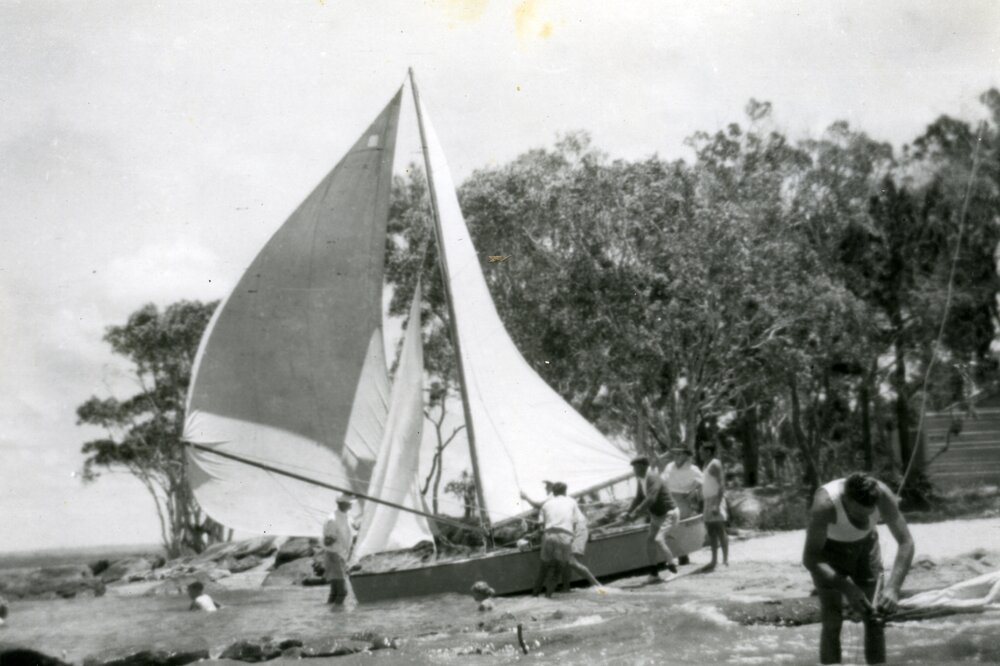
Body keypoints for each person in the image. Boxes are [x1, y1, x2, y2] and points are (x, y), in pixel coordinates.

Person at [803, 472, 914, 665]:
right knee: (832, 620)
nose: (864, 519)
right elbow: (810, 558)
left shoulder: (882, 495)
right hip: (828, 552)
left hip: (866, 547)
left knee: (875, 617)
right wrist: (847, 587)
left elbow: (906, 542)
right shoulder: (825, 505)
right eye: (857, 513)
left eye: (869, 513)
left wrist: (893, 588)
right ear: (845, 499)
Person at [522, 482, 602, 590]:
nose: (546, 490)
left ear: (553, 490)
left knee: (571, 561)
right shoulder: (562, 500)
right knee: (566, 562)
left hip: (577, 529)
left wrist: (526, 497)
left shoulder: (554, 500)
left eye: (547, 488)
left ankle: (598, 586)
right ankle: (566, 589)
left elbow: (538, 506)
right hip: (569, 531)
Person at [622, 455, 679, 582]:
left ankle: (673, 569)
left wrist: (635, 514)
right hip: (656, 515)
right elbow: (639, 498)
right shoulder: (640, 479)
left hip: (669, 513)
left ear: (643, 467)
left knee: (659, 540)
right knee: (650, 541)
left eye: (635, 467)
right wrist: (628, 512)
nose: (634, 470)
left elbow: (651, 499)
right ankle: (654, 574)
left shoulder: (653, 477)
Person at [531, 482, 581, 598]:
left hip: (548, 536)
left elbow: (540, 527)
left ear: (553, 492)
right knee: (558, 570)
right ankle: (551, 596)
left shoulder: (546, 505)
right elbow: (576, 522)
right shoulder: (572, 502)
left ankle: (535, 596)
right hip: (564, 536)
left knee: (543, 569)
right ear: (565, 491)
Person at [662, 447, 702, 565]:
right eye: (675, 453)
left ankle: (683, 556)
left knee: (680, 528)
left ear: (686, 456)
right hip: (668, 498)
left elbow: (703, 481)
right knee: (667, 528)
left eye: (680, 453)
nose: (677, 456)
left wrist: (693, 492)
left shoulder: (693, 469)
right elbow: (662, 480)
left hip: (683, 499)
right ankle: (669, 557)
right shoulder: (669, 466)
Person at [322, 493, 357, 607]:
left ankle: (330, 616)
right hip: (334, 555)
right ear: (341, 504)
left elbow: (353, 529)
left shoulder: (347, 516)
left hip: (341, 555)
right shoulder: (332, 519)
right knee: (342, 592)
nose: (351, 506)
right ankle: (338, 619)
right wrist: (330, 538)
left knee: (335, 592)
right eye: (349, 504)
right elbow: (327, 542)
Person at [700, 442, 729, 570]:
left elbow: (722, 484)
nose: (700, 453)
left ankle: (725, 561)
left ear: (708, 452)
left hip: (715, 499)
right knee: (711, 532)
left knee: (720, 530)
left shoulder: (715, 464)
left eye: (702, 451)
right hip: (707, 500)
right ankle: (714, 561)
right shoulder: (705, 465)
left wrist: (717, 504)